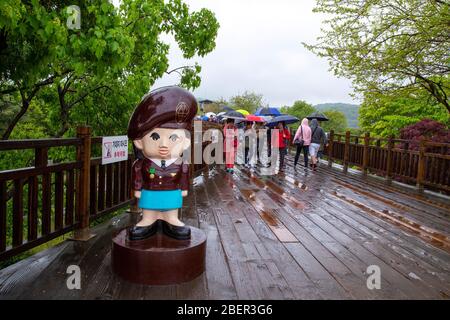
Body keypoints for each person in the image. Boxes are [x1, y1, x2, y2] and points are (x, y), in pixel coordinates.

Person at [127, 86, 197, 241]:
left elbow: (184, 177)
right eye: (155, 137)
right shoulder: (140, 164)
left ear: (185, 142)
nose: (163, 145)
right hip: (149, 192)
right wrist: (137, 189)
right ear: (140, 142)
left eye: (173, 138)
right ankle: (148, 219)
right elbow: (138, 177)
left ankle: (171, 218)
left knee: (171, 207)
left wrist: (184, 188)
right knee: (149, 208)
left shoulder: (181, 164)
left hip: (172, 192)